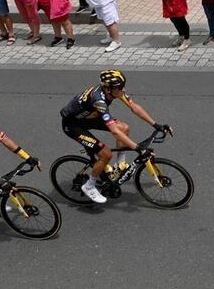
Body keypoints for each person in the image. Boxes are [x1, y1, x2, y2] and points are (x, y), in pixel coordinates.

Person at [60, 70, 170, 204]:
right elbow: (114, 132)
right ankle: (89, 186)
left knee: (124, 128)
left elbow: (133, 106)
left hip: (88, 118)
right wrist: (137, 148)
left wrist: (156, 125)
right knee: (106, 154)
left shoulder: (113, 90)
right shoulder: (99, 100)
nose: (124, 90)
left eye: (123, 86)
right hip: (73, 126)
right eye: (120, 88)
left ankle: (120, 165)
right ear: (108, 89)